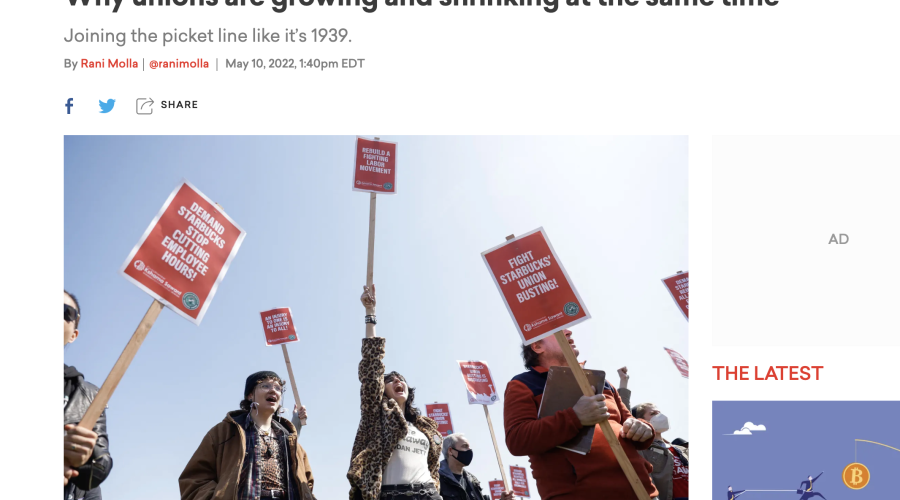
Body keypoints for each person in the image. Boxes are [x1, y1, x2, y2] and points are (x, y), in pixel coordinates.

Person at [504, 329, 657, 499]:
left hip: (642, 491)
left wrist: (644, 429)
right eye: (558, 332)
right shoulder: (522, 384)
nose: (569, 332)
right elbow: (517, 439)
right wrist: (574, 417)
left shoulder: (603, 382)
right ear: (537, 346)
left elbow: (629, 421)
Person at [348, 284, 443, 500]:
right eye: (390, 380)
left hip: (428, 494)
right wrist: (370, 314)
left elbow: (434, 468)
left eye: (401, 379)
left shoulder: (423, 426)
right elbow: (372, 367)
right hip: (392, 495)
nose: (397, 381)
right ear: (382, 389)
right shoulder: (376, 415)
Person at [179, 371, 315, 500]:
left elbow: (306, 484)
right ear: (250, 395)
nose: (273, 390)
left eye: (278, 388)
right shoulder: (224, 433)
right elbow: (195, 478)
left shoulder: (290, 440)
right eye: (265, 386)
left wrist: (295, 426)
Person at [64, 290, 113, 500]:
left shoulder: (89, 396)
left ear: (74, 334)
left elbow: (101, 463)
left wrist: (84, 459)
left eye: (65, 312)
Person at [631, 403, 689, 500]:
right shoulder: (642, 449)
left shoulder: (681, 450)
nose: (660, 416)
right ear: (641, 421)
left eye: (660, 413)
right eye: (653, 413)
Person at [438, 433, 514, 500]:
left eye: (469, 447)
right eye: (465, 446)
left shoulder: (472, 480)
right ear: (450, 451)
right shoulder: (436, 479)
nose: (469, 450)